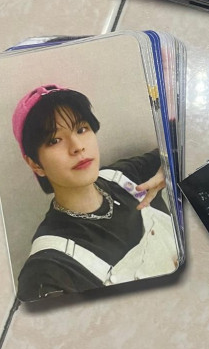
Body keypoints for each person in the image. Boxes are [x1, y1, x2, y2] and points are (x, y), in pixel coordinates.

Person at [12, 84, 179, 301]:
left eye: (81, 129)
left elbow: (185, 135)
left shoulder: (125, 177)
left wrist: (170, 166)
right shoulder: (47, 270)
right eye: (54, 140)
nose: (77, 146)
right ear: (35, 164)